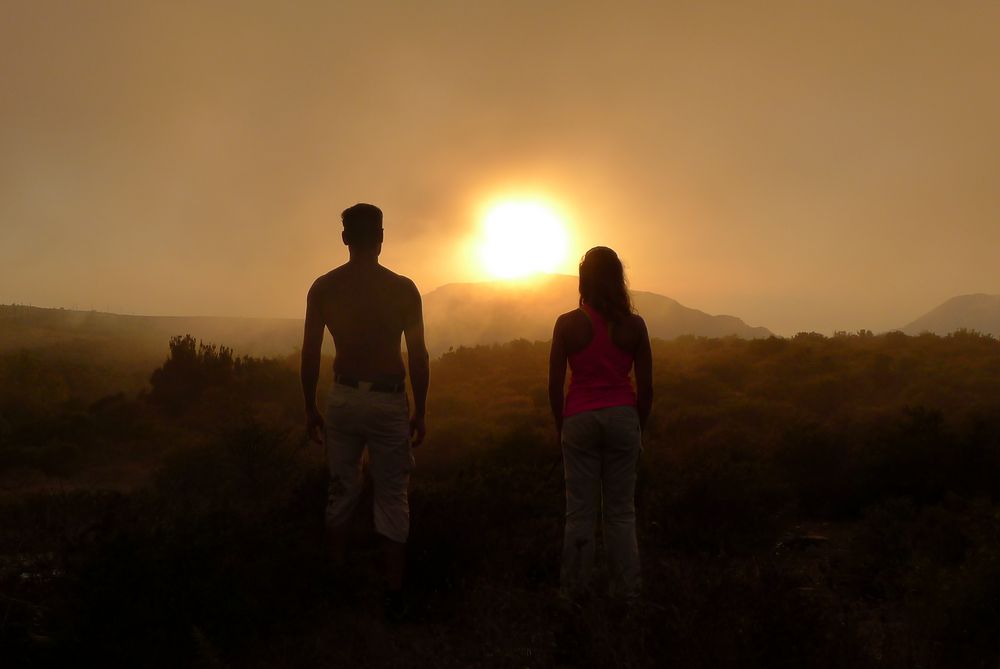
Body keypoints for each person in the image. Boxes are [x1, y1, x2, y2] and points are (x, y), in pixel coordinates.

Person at [300, 203, 429, 618]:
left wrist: (310, 408)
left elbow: (310, 354)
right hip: (389, 397)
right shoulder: (403, 289)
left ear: (344, 239)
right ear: (381, 238)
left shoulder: (324, 287)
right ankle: (393, 597)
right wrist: (421, 410)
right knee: (392, 495)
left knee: (341, 489)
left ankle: (334, 589)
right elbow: (420, 355)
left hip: (343, 396)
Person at [548, 246, 653, 600]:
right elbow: (647, 387)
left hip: (578, 417)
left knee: (578, 513)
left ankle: (574, 597)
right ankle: (627, 596)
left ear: (584, 280)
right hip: (623, 416)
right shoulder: (634, 326)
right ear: (618, 279)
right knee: (621, 513)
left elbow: (553, 384)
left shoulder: (567, 324)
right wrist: (639, 427)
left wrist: (559, 426)